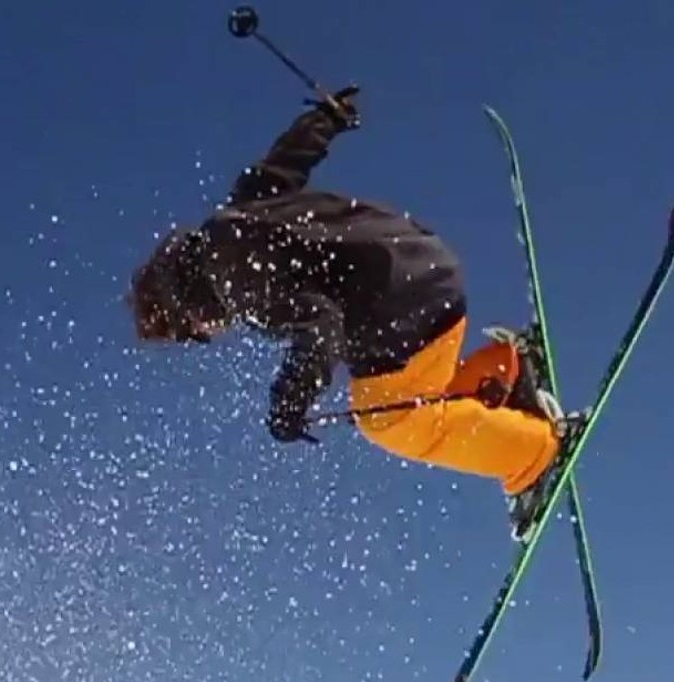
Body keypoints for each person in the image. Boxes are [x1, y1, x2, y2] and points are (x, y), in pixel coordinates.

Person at [127, 86, 583, 541]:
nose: (213, 331)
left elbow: (321, 328)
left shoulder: (234, 280)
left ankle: (534, 453)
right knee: (407, 391)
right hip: (425, 264)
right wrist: (326, 118)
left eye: (197, 332)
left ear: (184, 309)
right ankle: (505, 375)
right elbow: (281, 165)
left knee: (386, 418)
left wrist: (291, 398)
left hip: (402, 300)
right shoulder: (234, 217)